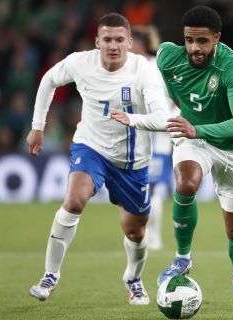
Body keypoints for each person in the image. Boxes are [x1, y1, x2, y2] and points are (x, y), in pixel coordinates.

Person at [112, 5, 233, 310]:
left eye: (202, 41)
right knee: (186, 183)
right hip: (193, 140)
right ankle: (182, 257)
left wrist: (197, 127)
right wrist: (185, 125)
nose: (195, 48)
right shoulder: (167, 57)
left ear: (216, 38)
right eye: (189, 40)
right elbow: (170, 94)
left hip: (230, 146)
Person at [27, 13, 169, 305]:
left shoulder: (144, 71)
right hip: (91, 147)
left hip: (132, 162)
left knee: (136, 230)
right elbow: (49, 80)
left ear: (130, 42)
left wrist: (131, 119)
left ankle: (133, 279)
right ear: (97, 41)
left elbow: (162, 117)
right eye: (107, 39)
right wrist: (37, 127)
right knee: (75, 200)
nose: (113, 45)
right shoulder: (81, 62)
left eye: (119, 40)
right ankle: (49, 276)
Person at [130, 25, 178, 250]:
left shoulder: (151, 67)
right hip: (144, 134)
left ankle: (154, 237)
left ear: (139, 45)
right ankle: (147, 234)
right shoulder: (140, 67)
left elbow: (171, 99)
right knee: (146, 187)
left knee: (153, 187)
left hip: (156, 134)